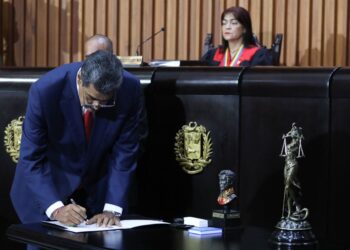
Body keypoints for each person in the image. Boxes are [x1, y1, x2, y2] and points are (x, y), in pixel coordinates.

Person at [10, 50, 143, 236]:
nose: (97, 106)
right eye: (91, 98)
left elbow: (125, 153)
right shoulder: (45, 91)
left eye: (105, 101)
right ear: (80, 79)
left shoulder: (130, 89)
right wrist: (57, 209)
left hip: (97, 191)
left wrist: (111, 209)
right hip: (48, 190)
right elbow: (31, 159)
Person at [201, 6, 273, 66]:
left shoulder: (258, 55)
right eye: (224, 23)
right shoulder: (213, 54)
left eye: (233, 23)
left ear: (244, 28)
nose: (227, 27)